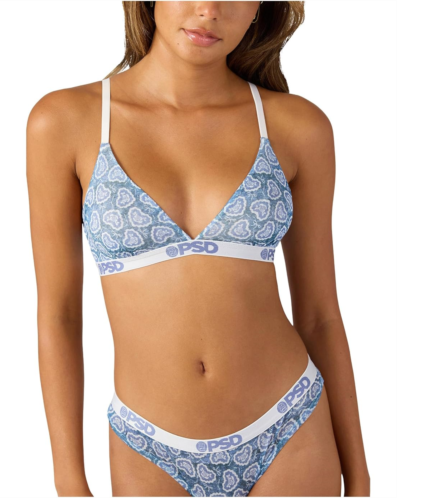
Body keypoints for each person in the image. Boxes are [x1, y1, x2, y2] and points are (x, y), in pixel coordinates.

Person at [27, 1, 370, 496]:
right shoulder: (65, 121)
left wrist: (359, 477)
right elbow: (58, 315)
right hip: (148, 444)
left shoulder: (297, 126)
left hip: (290, 426)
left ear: (259, 8)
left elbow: (320, 316)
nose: (209, 10)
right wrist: (68, 480)